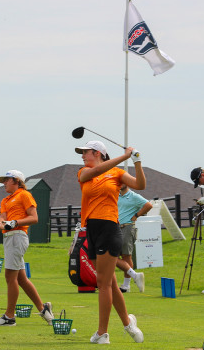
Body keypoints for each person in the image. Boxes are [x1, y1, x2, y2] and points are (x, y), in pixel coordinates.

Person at [76, 140, 145, 344]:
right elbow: (92, 173)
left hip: (109, 228)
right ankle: (128, 323)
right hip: (92, 229)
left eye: (85, 152)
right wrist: (124, 157)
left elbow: (140, 185)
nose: (82, 156)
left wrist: (137, 162)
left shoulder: (116, 174)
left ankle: (102, 333)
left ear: (97, 153)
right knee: (110, 283)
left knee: (103, 284)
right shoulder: (83, 172)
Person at [0, 170, 54, 327]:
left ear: (16, 180)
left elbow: (34, 218)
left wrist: (14, 222)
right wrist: (1, 223)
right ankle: (43, 309)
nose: (4, 183)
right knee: (21, 279)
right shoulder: (5, 200)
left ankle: (9, 317)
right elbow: (3, 218)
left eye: (6, 180)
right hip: (9, 238)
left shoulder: (24, 195)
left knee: (10, 278)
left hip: (18, 236)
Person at [116, 184, 152, 293]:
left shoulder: (133, 196)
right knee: (112, 255)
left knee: (126, 256)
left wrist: (137, 215)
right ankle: (135, 276)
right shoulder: (116, 195)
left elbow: (148, 205)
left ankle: (126, 285)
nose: (120, 184)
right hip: (116, 227)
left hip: (128, 227)